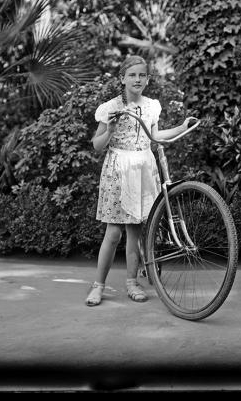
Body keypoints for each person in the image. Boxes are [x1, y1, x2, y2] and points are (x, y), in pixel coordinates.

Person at [85, 55, 194, 307]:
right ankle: (98, 285)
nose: (137, 79)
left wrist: (181, 127)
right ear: (122, 78)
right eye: (132, 75)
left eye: (142, 75)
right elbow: (97, 145)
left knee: (135, 233)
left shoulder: (151, 106)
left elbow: (155, 136)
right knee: (113, 233)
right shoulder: (111, 107)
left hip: (144, 168)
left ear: (147, 79)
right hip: (119, 170)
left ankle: (132, 282)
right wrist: (110, 130)